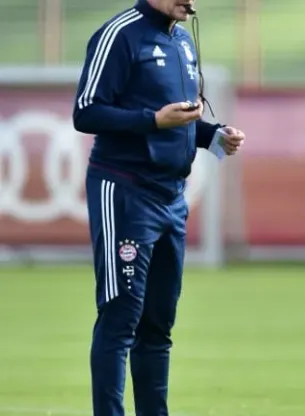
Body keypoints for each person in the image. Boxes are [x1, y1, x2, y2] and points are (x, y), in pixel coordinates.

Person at [72, 0, 244, 414]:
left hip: (172, 198)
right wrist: (152, 120)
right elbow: (86, 112)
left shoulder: (183, 42)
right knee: (120, 320)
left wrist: (213, 136)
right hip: (124, 191)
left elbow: (176, 119)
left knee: (158, 327)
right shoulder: (119, 34)